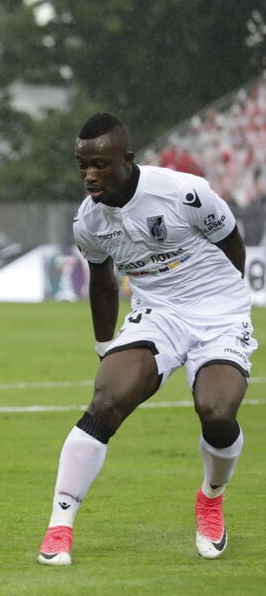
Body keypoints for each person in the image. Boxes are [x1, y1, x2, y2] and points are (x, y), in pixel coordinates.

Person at [37, 112, 256, 566]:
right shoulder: (89, 221)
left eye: (99, 164)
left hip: (220, 313)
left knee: (216, 412)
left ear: (127, 160)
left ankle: (210, 500)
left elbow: (233, 244)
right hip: (158, 315)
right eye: (82, 165)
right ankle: (59, 527)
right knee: (106, 398)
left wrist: (227, 305)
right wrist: (105, 348)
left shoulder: (184, 193)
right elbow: (102, 283)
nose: (89, 175)